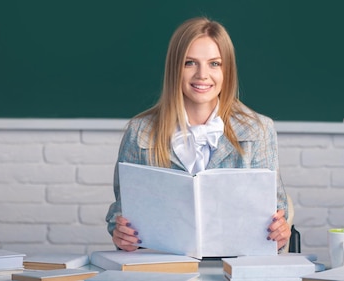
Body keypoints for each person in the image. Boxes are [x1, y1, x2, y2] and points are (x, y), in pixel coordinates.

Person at [105, 17, 290, 252]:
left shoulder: (258, 130)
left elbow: (276, 211)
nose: (202, 75)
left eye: (214, 64)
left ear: (227, 71)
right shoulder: (141, 132)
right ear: (175, 68)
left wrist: (280, 233)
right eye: (190, 63)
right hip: (163, 267)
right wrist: (121, 232)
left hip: (234, 266)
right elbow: (122, 211)